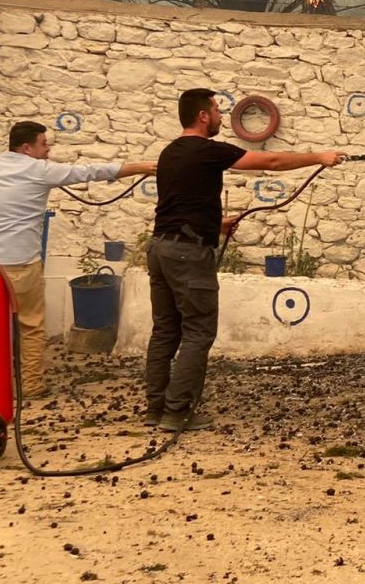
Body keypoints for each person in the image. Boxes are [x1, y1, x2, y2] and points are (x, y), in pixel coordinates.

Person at [145, 89, 343, 431]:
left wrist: (214, 224)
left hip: (161, 247)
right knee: (197, 331)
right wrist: (319, 157)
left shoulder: (168, 153)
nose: (221, 116)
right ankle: (176, 413)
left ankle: (155, 407)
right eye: (217, 110)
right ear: (203, 116)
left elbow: (180, 203)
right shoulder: (208, 151)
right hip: (187, 254)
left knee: (165, 330)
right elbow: (271, 162)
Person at [0, 121, 156, 398]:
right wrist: (138, 167)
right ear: (27, 148)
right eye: (44, 144)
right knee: (30, 326)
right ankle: (30, 387)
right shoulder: (39, 170)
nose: (48, 149)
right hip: (20, 262)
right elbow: (89, 172)